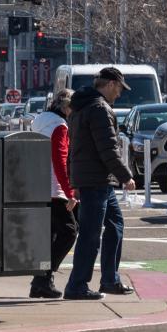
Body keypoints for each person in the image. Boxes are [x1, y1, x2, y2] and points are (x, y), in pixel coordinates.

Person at [63, 67, 136, 300]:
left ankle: (110, 279)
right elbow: (108, 149)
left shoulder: (81, 106)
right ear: (111, 84)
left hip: (94, 178)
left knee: (115, 225)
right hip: (96, 179)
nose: (120, 94)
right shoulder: (99, 109)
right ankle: (77, 285)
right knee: (90, 234)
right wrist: (126, 176)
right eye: (119, 89)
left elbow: (76, 147)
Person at [30, 89, 78, 299]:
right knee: (69, 231)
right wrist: (70, 192)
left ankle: (41, 281)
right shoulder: (60, 126)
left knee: (50, 235)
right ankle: (43, 278)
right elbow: (59, 160)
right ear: (66, 107)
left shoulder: (39, 121)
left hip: (37, 184)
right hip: (54, 189)